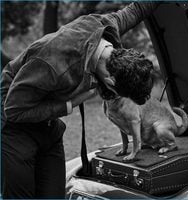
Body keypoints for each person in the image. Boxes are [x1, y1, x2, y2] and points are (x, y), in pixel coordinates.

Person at [1, 2, 159, 198]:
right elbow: (14, 110)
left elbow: (138, 8)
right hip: (13, 115)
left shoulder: (109, 27)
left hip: (47, 120)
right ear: (110, 82)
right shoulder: (53, 64)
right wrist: (71, 103)